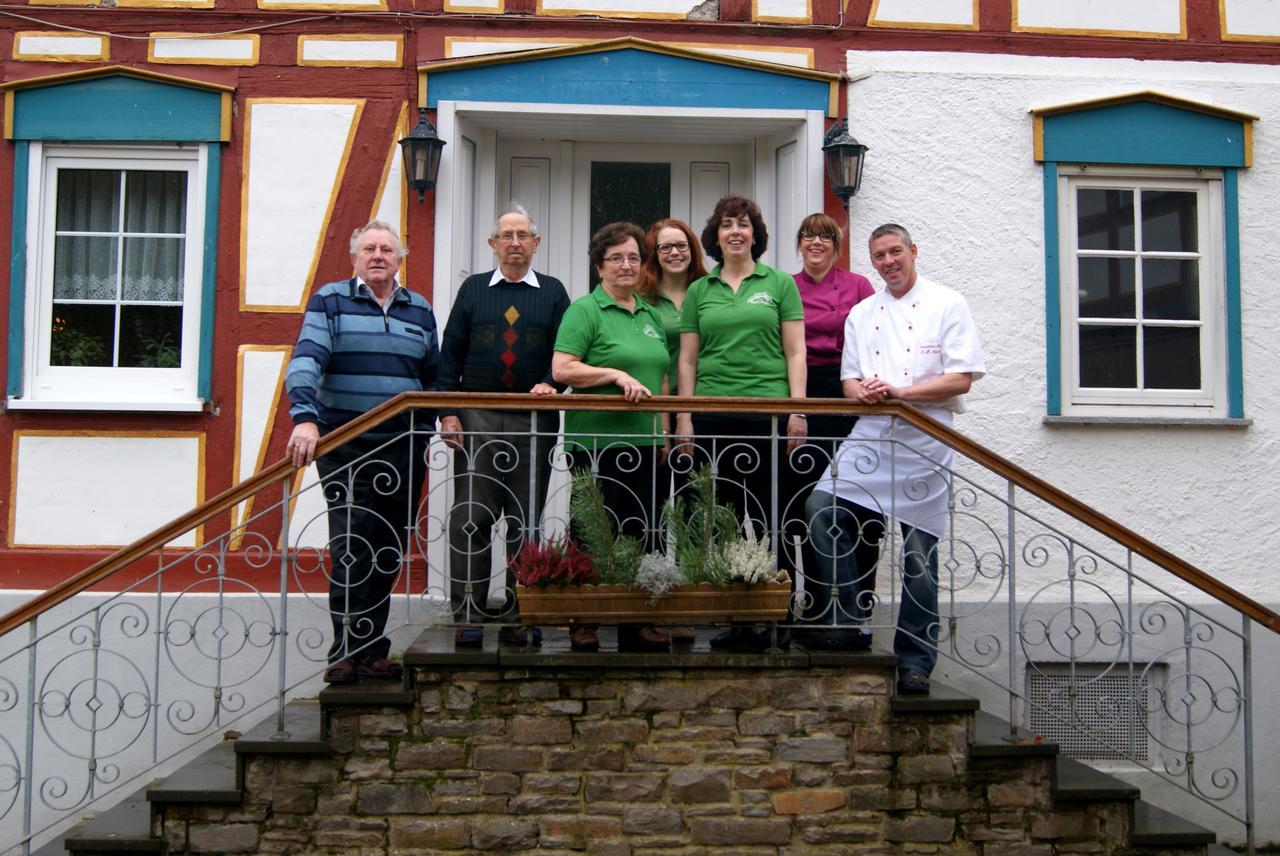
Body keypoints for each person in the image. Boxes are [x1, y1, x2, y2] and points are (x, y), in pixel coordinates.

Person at [804, 223, 985, 695]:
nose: (888, 261)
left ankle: (915, 660)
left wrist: (901, 393)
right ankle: (847, 620)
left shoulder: (948, 302)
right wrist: (862, 391)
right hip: (873, 431)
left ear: (913, 251)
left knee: (919, 556)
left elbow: (961, 378)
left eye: (895, 251)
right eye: (879, 255)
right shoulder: (863, 313)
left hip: (925, 438)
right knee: (822, 507)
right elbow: (848, 380)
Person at [285, 220, 440, 685]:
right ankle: (345, 649)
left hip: (402, 447)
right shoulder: (330, 301)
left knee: (388, 549)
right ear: (354, 258)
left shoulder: (420, 310)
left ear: (400, 259)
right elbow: (308, 359)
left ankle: (373, 648)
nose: (378, 255)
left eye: (387, 249)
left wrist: (434, 422)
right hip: (346, 444)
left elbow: (432, 378)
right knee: (352, 546)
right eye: (369, 249)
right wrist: (305, 417)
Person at [673, 194, 807, 652]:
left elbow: (795, 352)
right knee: (726, 521)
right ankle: (741, 618)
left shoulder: (781, 284)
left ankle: (781, 614)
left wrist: (798, 410)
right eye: (727, 224)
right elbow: (687, 361)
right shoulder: (699, 291)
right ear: (715, 235)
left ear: (755, 234)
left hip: (768, 416)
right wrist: (685, 418)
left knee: (775, 518)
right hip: (714, 418)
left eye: (744, 224)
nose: (735, 231)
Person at [437, 205, 570, 648]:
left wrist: (552, 384)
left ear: (536, 243)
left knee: (524, 522)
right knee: (471, 518)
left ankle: (520, 613)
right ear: (492, 245)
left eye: (523, 235)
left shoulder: (553, 293)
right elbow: (450, 352)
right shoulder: (474, 290)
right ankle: (469, 614)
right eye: (506, 235)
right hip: (477, 417)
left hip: (534, 421)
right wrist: (448, 412)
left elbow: (565, 354)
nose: (515, 242)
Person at [553, 222, 671, 652]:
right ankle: (584, 619)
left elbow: (661, 377)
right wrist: (614, 374)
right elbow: (563, 368)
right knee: (592, 531)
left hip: (646, 443)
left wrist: (664, 433)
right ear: (600, 266)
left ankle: (635, 619)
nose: (626, 265)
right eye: (617, 258)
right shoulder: (585, 310)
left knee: (642, 530)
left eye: (634, 258)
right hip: (597, 442)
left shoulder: (651, 314)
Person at [786, 213, 875, 627]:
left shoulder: (858, 286)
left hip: (849, 394)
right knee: (799, 505)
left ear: (836, 246)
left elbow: (876, 339)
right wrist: (795, 408)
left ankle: (851, 609)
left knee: (854, 507)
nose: (816, 242)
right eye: (809, 236)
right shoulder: (786, 286)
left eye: (825, 236)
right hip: (801, 395)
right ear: (799, 244)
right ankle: (806, 604)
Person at [637, 218, 707, 645]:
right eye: (664, 248)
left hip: (702, 413)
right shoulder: (643, 297)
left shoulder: (707, 291)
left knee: (698, 513)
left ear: (692, 248)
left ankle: (693, 604)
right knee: (656, 512)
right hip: (655, 415)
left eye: (681, 245)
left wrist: (688, 414)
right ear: (654, 254)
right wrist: (667, 422)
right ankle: (655, 607)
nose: (674, 253)